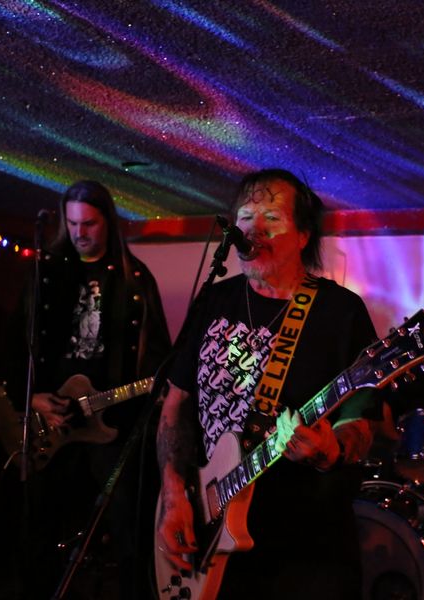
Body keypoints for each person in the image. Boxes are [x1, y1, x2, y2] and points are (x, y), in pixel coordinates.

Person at [155, 169, 380, 600]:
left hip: (306, 547)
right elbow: (174, 404)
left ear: (303, 236)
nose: (254, 230)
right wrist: (173, 494)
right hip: (212, 532)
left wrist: (331, 450)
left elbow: (364, 422)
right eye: (245, 217)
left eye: (272, 218)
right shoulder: (214, 300)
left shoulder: (339, 311)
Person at [0, 180, 171, 599]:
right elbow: (13, 345)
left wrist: (157, 391)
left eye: (89, 223)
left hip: (110, 423)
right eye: (72, 223)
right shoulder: (46, 273)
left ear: (108, 221)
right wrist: (31, 397)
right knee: (38, 525)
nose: (79, 233)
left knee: (128, 525)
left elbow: (160, 356)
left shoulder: (134, 279)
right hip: (51, 421)